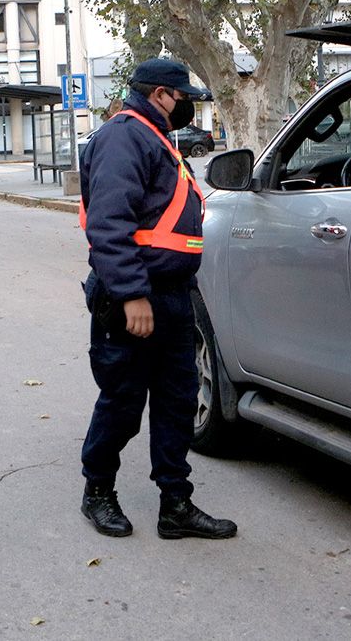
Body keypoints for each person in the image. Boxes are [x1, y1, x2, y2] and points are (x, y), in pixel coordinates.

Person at [77, 58, 237, 541]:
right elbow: (108, 224)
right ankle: (98, 492)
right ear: (162, 95)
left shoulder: (156, 138)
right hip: (136, 299)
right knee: (123, 403)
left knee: (176, 402)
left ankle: (176, 504)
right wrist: (131, 295)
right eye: (184, 97)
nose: (188, 106)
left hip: (172, 297)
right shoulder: (125, 136)